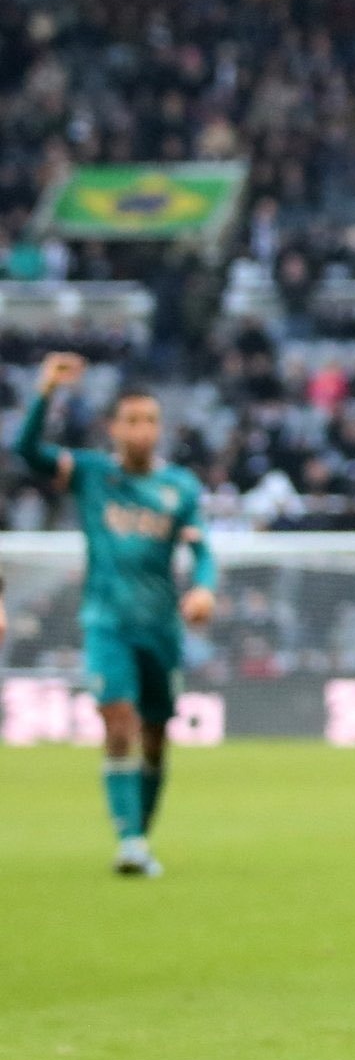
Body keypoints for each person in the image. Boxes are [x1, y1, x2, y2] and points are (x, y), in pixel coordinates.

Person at [10, 351, 216, 876]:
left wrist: (203, 589)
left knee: (155, 738)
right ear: (114, 428)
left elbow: (202, 552)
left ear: (159, 428)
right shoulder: (91, 473)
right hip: (107, 624)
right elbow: (26, 450)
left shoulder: (179, 487)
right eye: (132, 420)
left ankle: (139, 834)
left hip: (161, 629)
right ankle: (129, 842)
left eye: (150, 420)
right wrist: (44, 392)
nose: (142, 429)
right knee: (119, 721)